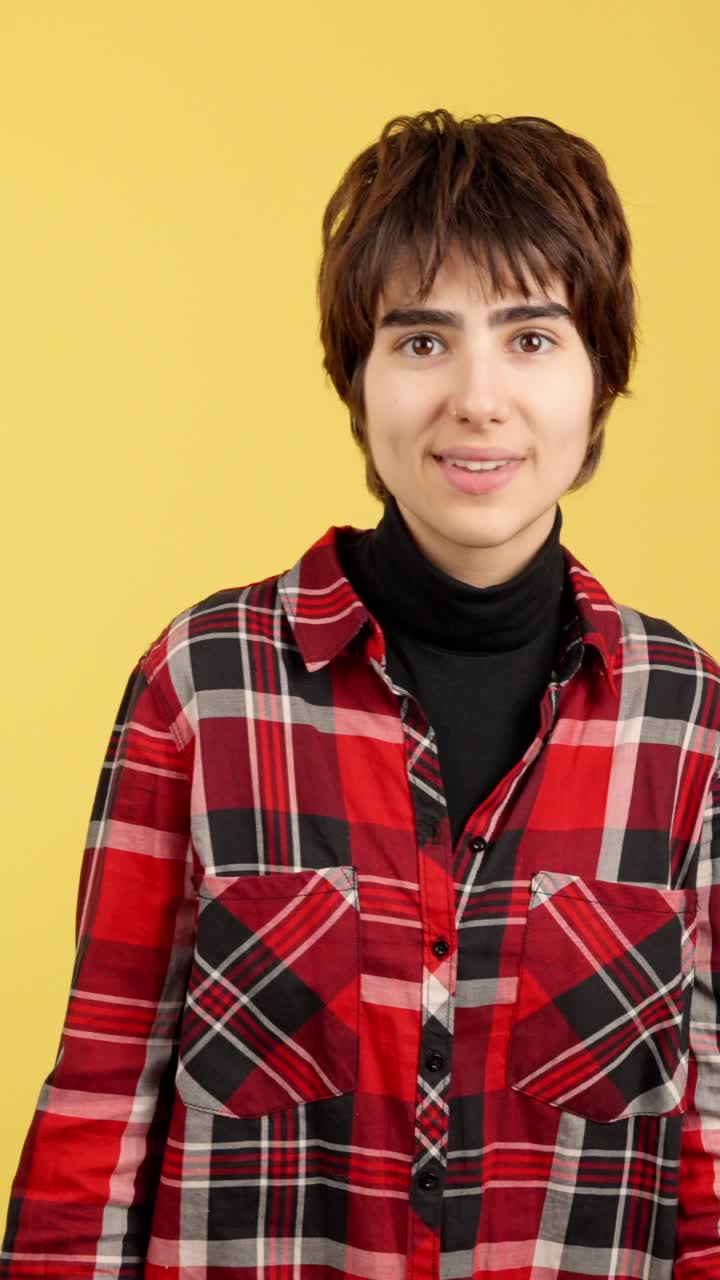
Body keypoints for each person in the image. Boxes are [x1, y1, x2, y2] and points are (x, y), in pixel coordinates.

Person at [2, 108, 718, 1280]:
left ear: (603, 383)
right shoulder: (203, 686)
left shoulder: (691, 722)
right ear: (359, 378)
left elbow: (710, 1154)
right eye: (423, 341)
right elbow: (100, 1100)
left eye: (532, 339)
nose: (478, 400)